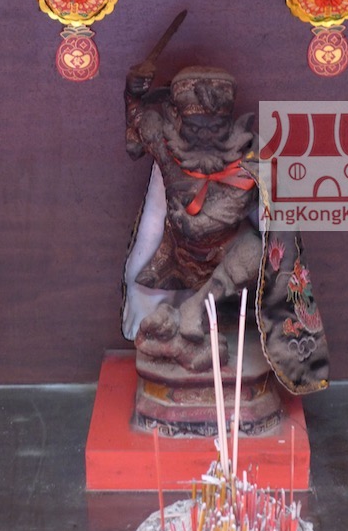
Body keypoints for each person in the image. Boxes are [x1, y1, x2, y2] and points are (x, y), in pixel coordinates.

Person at [122, 57, 329, 393]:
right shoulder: (165, 145)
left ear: (230, 123)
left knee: (256, 249)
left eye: (215, 128)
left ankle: (198, 307)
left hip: (228, 262)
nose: (205, 137)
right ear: (177, 119)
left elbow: (275, 227)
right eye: (195, 128)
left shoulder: (251, 160)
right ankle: (172, 319)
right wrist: (133, 92)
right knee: (148, 296)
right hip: (176, 258)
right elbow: (137, 122)